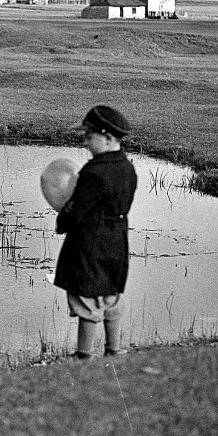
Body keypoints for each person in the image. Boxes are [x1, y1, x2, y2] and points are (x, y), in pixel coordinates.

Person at [54, 105, 138, 359]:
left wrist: (63, 220)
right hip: (117, 239)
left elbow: (78, 211)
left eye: (90, 136)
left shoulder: (94, 172)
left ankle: (84, 354)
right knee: (110, 295)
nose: (86, 142)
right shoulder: (127, 167)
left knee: (87, 298)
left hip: (90, 242)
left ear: (108, 138)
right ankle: (114, 349)